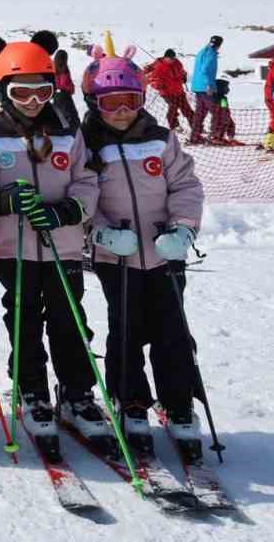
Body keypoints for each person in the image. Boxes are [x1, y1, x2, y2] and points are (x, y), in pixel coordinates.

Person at [0, 36, 104, 449]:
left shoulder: (67, 132)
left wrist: (69, 210)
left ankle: (77, 392)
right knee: (23, 319)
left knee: (70, 319)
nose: (32, 100)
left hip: (62, 246)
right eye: (21, 92)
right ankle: (31, 390)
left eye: (42, 91)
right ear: (1, 92)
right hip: (15, 249)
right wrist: (3, 200)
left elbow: (86, 180)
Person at [79, 55, 205, 458]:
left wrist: (183, 228)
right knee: (126, 327)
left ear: (143, 100)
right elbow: (81, 193)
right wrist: (98, 231)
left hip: (166, 254)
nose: (121, 112)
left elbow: (186, 186)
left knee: (172, 329)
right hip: (117, 256)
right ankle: (130, 398)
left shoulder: (161, 139)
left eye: (130, 101)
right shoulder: (87, 146)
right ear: (93, 103)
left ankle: (178, 400)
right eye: (110, 103)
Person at [145, 49, 193, 132]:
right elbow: (152, 80)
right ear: (165, 58)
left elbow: (182, 71)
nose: (172, 60)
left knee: (187, 109)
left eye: (173, 58)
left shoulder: (177, 63)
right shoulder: (159, 67)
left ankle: (196, 126)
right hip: (167, 92)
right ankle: (174, 126)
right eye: (170, 59)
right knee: (173, 107)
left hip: (179, 90)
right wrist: (158, 85)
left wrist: (184, 76)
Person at [188, 35, 224, 145]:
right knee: (217, 111)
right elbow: (205, 70)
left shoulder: (202, 51)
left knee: (200, 112)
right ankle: (214, 136)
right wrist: (208, 85)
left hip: (197, 86)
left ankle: (195, 136)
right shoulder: (211, 53)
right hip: (205, 87)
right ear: (219, 45)